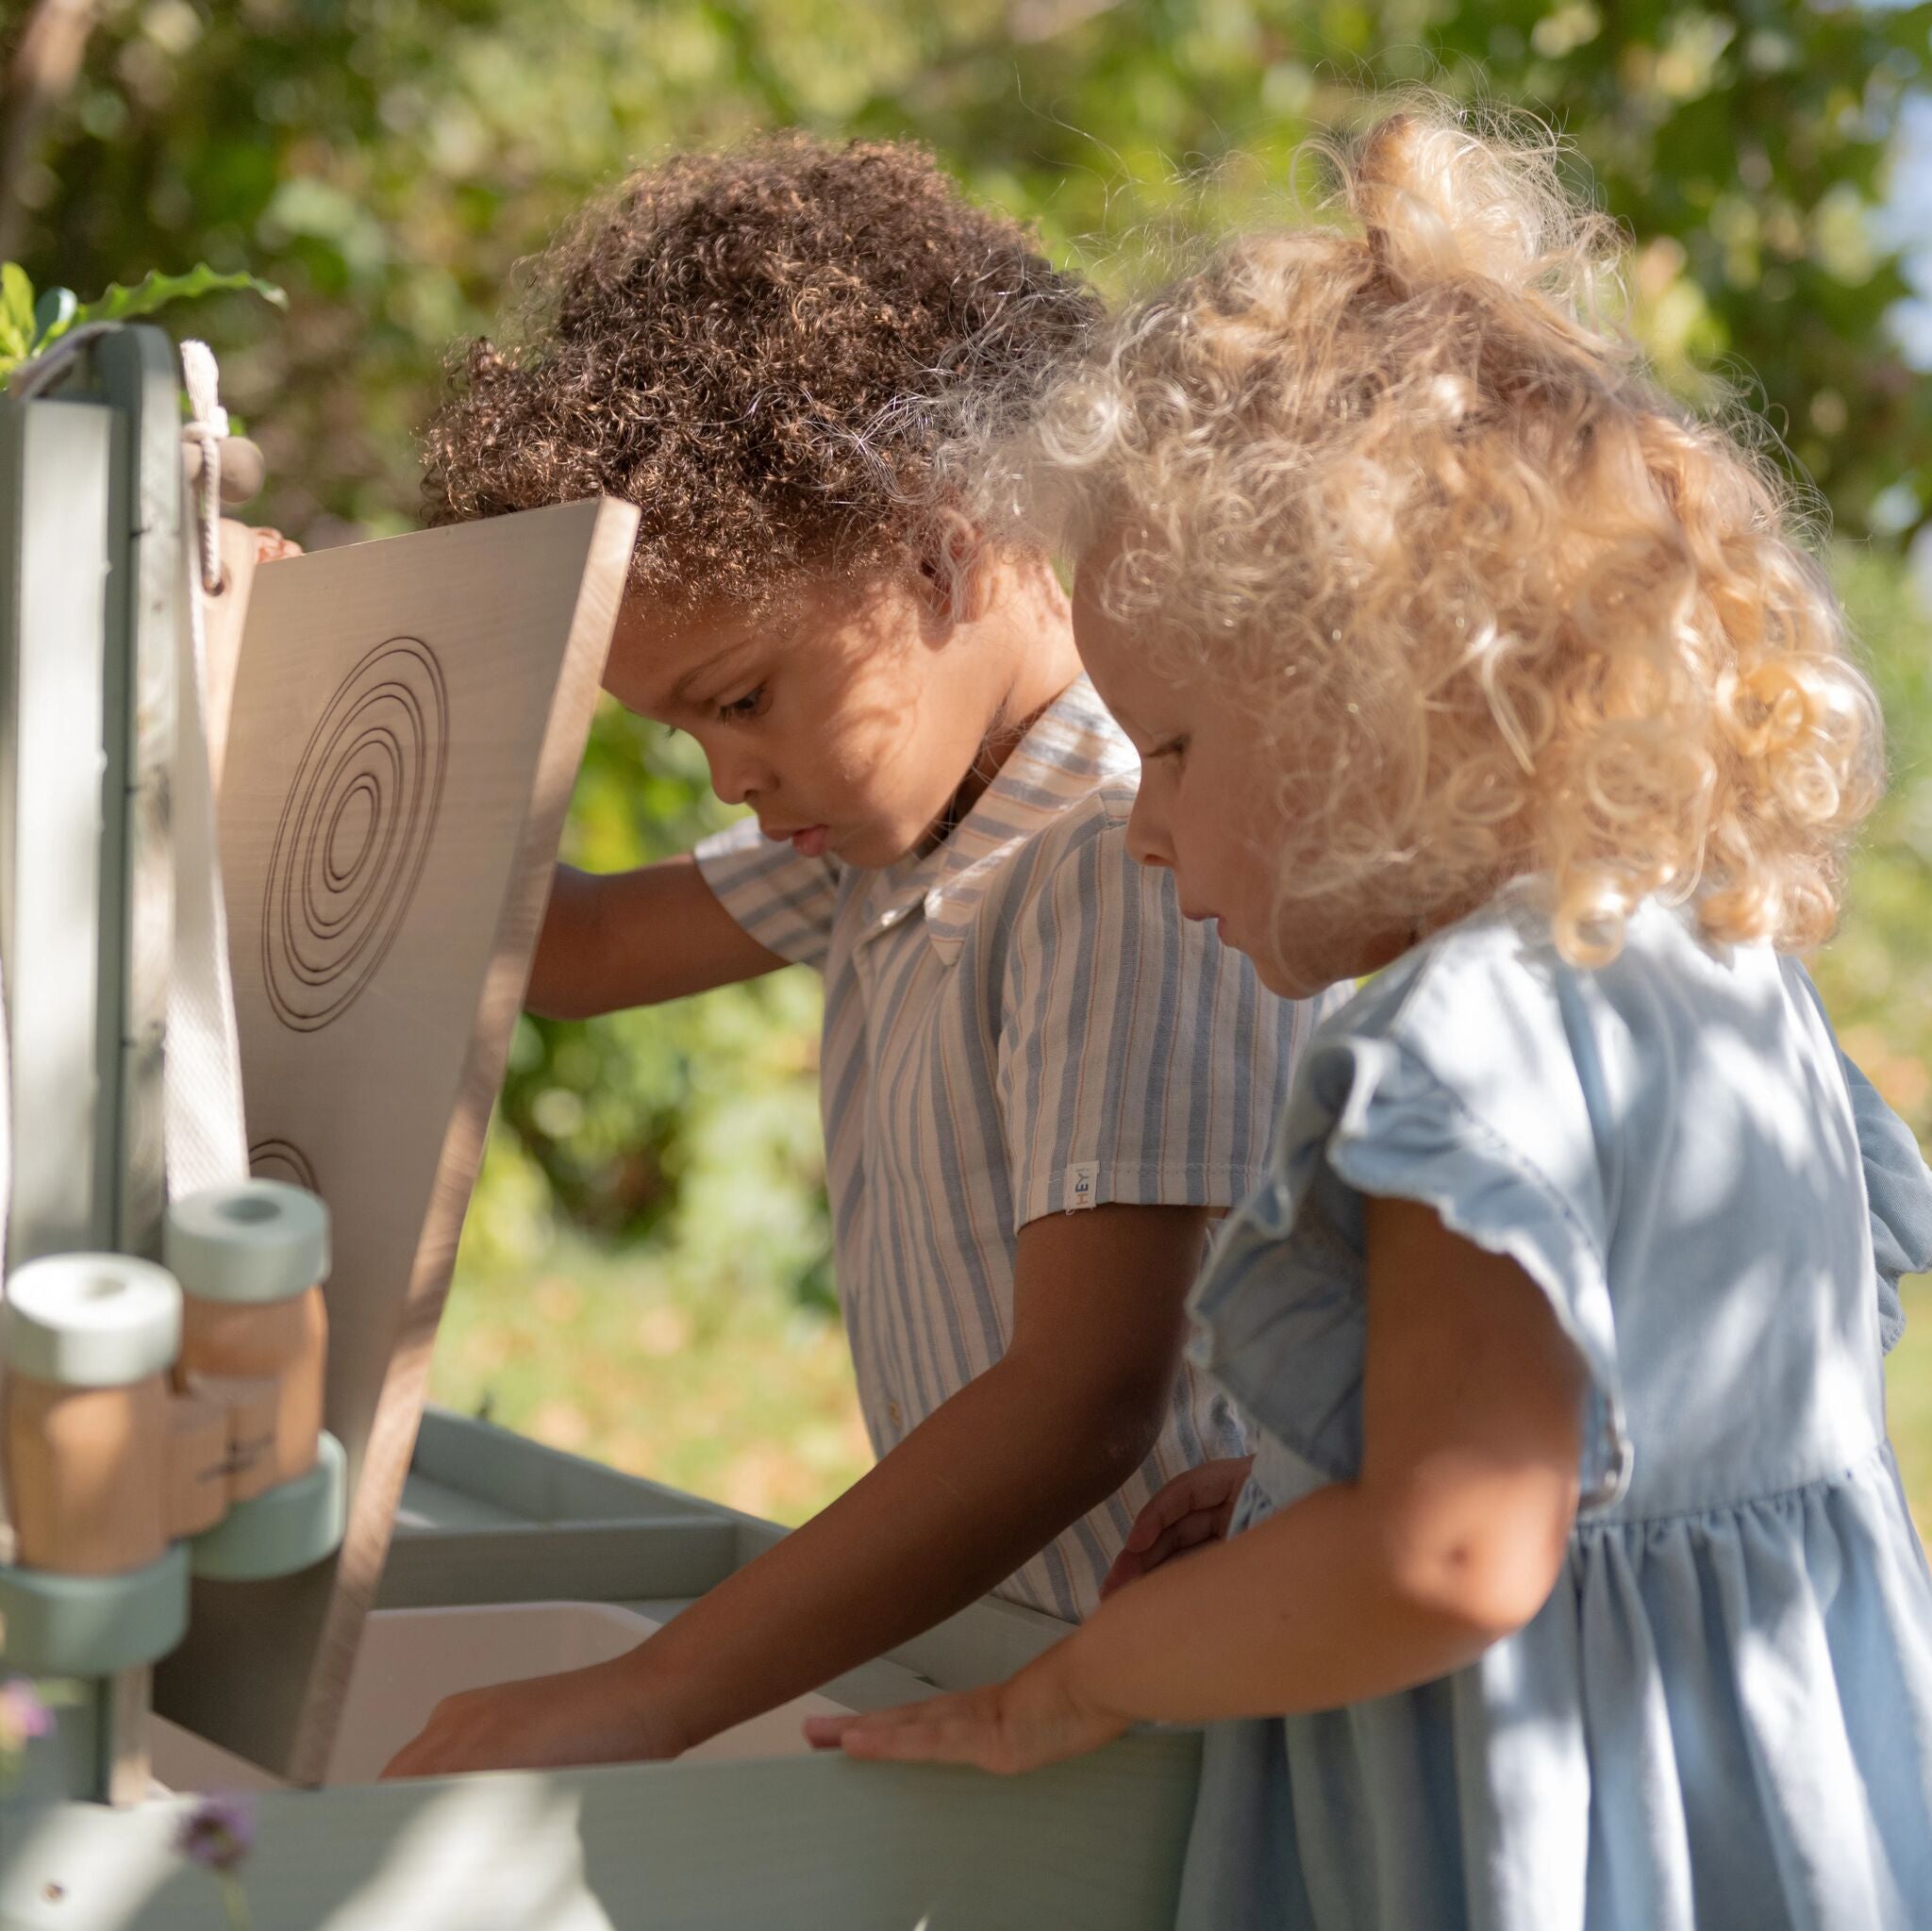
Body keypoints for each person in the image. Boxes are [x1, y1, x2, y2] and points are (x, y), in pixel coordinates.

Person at [808, 108, 1932, 1931]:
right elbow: (1621, 1448)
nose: (1143, 827)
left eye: (1174, 749)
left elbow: (1457, 1556)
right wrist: (1299, 1490)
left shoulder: (1464, 1050)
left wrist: (1082, 1680)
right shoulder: (1722, 974)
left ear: (1377, 695)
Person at [385, 134, 1333, 1778]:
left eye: (743, 698)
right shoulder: (895, 833)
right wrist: (281, 708)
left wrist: (650, 1692)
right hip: (1009, 1669)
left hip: (1163, 1720)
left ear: (939, 546)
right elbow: (580, 948)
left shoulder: (1114, 860)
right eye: (684, 729)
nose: (726, 777)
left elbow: (1084, 1398)